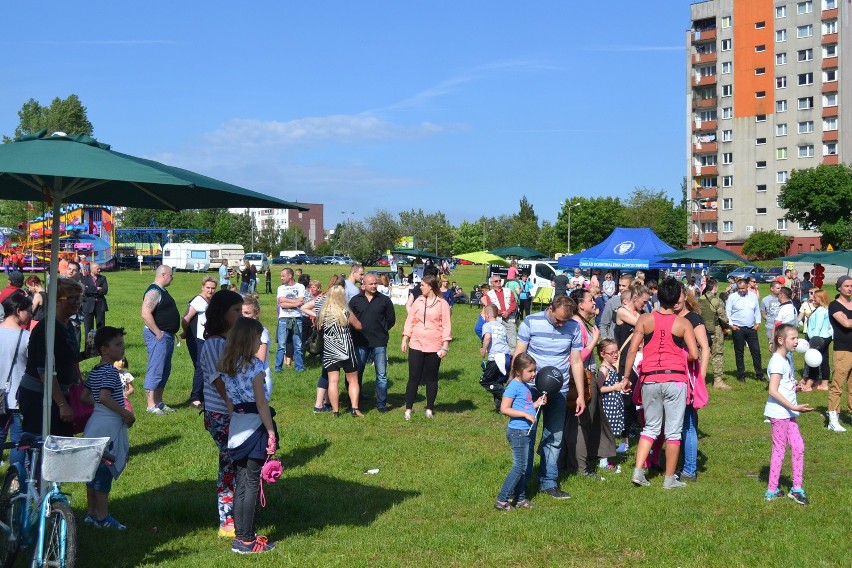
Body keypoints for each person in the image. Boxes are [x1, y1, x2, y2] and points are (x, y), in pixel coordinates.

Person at [623, 277, 698, 489]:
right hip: (675, 379)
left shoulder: (645, 319)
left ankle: (638, 471)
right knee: (673, 432)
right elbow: (693, 353)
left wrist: (627, 376)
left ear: (657, 296)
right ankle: (669, 479)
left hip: (650, 378)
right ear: (677, 301)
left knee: (650, 427)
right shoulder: (683, 323)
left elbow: (632, 349)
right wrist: (678, 359)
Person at [513, 295, 585, 499]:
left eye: (565, 320)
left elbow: (576, 362)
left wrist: (579, 393)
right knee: (528, 435)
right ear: (551, 308)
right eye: (558, 320)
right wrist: (515, 385)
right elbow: (519, 354)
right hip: (530, 388)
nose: (561, 324)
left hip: (559, 390)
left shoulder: (574, 327)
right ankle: (523, 484)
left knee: (554, 437)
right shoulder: (531, 322)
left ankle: (549, 482)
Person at [217, 318, 277, 554]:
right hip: (254, 424)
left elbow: (230, 403)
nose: (260, 342)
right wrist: (270, 432)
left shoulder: (228, 366)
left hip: (237, 426)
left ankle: (241, 535)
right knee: (252, 483)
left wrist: (236, 419)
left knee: (241, 482)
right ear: (249, 340)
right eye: (258, 338)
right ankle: (246, 539)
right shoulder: (254, 367)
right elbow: (262, 403)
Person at [199, 290, 244, 538]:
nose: (240, 314)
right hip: (222, 413)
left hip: (235, 412)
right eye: (235, 310)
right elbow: (219, 381)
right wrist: (233, 408)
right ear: (222, 313)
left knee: (236, 463)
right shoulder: (215, 343)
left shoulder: (228, 341)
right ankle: (226, 520)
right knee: (229, 464)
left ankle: (239, 512)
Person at [82, 326, 135, 530]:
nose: (123, 348)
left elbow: (85, 396)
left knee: (92, 471)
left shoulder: (95, 370)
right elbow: (104, 396)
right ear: (105, 349)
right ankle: (103, 516)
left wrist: (99, 407)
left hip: (94, 424)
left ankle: (91, 513)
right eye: (118, 344)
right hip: (107, 428)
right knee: (104, 469)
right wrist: (125, 413)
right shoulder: (112, 372)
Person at [18, 278, 84, 437]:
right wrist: (62, 404)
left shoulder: (66, 325)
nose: (77, 302)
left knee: (62, 444)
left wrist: (84, 355)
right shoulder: (46, 329)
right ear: (56, 300)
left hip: (57, 394)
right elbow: (45, 371)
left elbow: (63, 360)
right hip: (40, 397)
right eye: (71, 298)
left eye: (79, 298)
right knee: (44, 446)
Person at [564, 288, 610, 478]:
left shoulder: (581, 323)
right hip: (582, 377)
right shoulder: (577, 324)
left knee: (577, 423)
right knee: (580, 423)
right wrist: (594, 342)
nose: (594, 302)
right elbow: (576, 357)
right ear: (580, 304)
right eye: (591, 300)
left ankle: (571, 463)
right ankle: (580, 467)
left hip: (583, 377)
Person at [763, 324, 813, 504]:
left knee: (798, 447)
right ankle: (772, 490)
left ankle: (796, 488)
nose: (796, 341)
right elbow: (773, 390)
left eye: (796, 338)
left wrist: (795, 388)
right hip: (779, 413)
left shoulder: (784, 360)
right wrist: (794, 407)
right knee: (779, 450)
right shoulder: (777, 361)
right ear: (781, 340)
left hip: (788, 412)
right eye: (793, 338)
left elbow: (783, 387)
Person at [494, 353, 547, 511]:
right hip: (517, 431)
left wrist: (536, 404)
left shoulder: (525, 386)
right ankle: (502, 500)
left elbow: (525, 406)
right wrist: (525, 415)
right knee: (519, 467)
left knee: (525, 466)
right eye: (530, 371)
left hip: (526, 431)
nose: (534, 374)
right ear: (518, 371)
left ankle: (520, 498)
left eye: (534, 370)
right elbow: (504, 408)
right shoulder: (513, 386)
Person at [402, 275, 452, 421]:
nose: (420, 287)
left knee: (431, 378)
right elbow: (410, 320)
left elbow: (446, 325)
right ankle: (408, 409)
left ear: (430, 286)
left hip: (434, 345)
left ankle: (429, 408)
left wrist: (445, 346)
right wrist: (405, 338)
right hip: (416, 343)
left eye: (422, 285)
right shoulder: (418, 301)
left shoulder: (442, 304)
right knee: (413, 377)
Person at [676, 287, 710, 482]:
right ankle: (682, 463)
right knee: (677, 424)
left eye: (679, 296)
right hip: (672, 376)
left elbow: (704, 347)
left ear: (685, 297)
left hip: (689, 376)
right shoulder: (668, 316)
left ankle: (689, 468)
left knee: (688, 422)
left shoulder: (694, 319)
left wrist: (701, 375)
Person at [350, 273, 396, 412]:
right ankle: (355, 400)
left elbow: (391, 320)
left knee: (381, 375)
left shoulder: (384, 300)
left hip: (379, 342)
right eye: (371, 284)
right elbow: (349, 318)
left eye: (376, 283)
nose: (374, 286)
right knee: (357, 372)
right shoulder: (355, 300)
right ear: (363, 285)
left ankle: (381, 403)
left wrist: (381, 330)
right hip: (360, 341)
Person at [141, 265, 180, 414]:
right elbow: (145, 313)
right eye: (171, 275)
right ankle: (150, 404)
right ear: (163, 275)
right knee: (156, 368)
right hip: (159, 336)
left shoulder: (162, 291)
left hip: (167, 336)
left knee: (164, 369)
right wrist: (158, 333)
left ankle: (158, 401)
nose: (172, 277)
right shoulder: (154, 291)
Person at [319, 284, 363, 416]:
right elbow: (359, 326)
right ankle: (355, 408)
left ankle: (335, 410)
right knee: (353, 380)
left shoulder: (323, 312)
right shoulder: (345, 311)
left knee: (333, 381)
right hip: (346, 349)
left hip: (330, 350)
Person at [0, 292, 32, 469]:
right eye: (29, 311)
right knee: (18, 440)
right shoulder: (26, 337)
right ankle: (16, 478)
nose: (31, 315)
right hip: (18, 396)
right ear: (19, 311)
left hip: (1, 396)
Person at [182, 276, 218, 409]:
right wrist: (185, 333)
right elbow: (186, 319)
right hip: (196, 339)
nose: (210, 290)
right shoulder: (197, 301)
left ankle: (203, 396)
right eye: (208, 287)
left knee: (206, 367)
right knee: (200, 367)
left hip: (206, 339)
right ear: (202, 287)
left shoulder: (211, 301)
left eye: (213, 288)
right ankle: (195, 398)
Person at [596, 339, 627, 473]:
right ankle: (603, 461)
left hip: (614, 405)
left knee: (611, 434)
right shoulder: (603, 369)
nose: (615, 355)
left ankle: (606, 459)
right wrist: (615, 387)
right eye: (612, 352)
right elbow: (598, 388)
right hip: (607, 406)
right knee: (606, 435)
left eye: (617, 351)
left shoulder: (613, 367)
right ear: (603, 354)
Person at [726, 278, 764, 383]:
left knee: (756, 351)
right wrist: (731, 325)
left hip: (751, 328)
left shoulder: (753, 296)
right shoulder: (732, 297)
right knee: (739, 352)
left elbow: (757, 310)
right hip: (738, 328)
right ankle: (741, 374)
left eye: (743, 288)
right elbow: (727, 311)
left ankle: (759, 374)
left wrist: (758, 323)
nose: (741, 290)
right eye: (739, 288)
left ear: (747, 286)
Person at [696, 277, 732, 390]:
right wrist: (727, 327)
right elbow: (723, 318)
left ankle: (699, 380)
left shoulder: (699, 300)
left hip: (700, 330)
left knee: (701, 356)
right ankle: (718, 381)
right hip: (715, 331)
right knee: (718, 355)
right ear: (715, 288)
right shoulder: (717, 301)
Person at [827, 275, 852, 432]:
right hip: (843, 349)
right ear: (839, 288)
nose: (850, 288)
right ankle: (833, 417)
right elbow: (846, 323)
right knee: (838, 384)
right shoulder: (834, 306)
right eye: (847, 286)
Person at [480, 304, 513, 411]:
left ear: (488, 315)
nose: (483, 316)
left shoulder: (487, 325)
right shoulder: (502, 326)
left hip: (496, 357)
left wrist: (484, 349)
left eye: (484, 314)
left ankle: (506, 396)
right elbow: (507, 341)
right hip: (506, 356)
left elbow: (488, 336)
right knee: (497, 381)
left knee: (485, 381)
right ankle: (500, 408)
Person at [274, 268, 305, 372]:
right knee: (281, 345)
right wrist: (295, 303)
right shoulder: (281, 288)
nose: (281, 278)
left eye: (283, 275)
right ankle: (278, 368)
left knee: (298, 345)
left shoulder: (300, 286)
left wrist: (288, 302)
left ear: (290, 276)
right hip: (283, 318)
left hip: (297, 318)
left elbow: (301, 301)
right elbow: (281, 304)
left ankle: (299, 367)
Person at [242, 296, 272, 399]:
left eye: (247, 313)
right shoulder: (239, 331)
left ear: (256, 314)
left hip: (259, 378)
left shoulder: (261, 332)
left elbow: (260, 361)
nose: (243, 316)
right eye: (242, 312)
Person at [802, 288, 832, 391]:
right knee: (824, 360)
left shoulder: (820, 311)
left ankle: (808, 385)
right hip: (826, 337)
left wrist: (813, 341)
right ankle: (824, 384)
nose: (813, 299)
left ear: (821, 298)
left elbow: (818, 327)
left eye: (815, 298)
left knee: (813, 361)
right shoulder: (825, 309)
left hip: (819, 338)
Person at [484, 275, 518, 349]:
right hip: (497, 319)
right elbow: (491, 307)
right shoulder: (489, 294)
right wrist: (501, 313)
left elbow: (514, 303)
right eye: (496, 281)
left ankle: (512, 358)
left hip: (509, 318)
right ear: (492, 283)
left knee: (512, 341)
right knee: (498, 340)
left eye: (500, 281)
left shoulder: (508, 291)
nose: (498, 282)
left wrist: (507, 312)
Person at [600, 274, 634, 340]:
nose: (621, 288)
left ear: (631, 286)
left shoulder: (637, 302)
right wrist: (605, 340)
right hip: (615, 342)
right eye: (619, 285)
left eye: (624, 286)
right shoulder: (612, 301)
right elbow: (603, 324)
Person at [82, 262, 109, 338]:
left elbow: (105, 290)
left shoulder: (103, 278)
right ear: (92, 269)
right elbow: (85, 291)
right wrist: (97, 289)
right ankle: (89, 348)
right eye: (97, 269)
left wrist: (90, 289)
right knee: (88, 329)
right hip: (88, 306)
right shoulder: (85, 279)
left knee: (101, 328)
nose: (99, 270)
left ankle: (100, 347)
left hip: (100, 306)